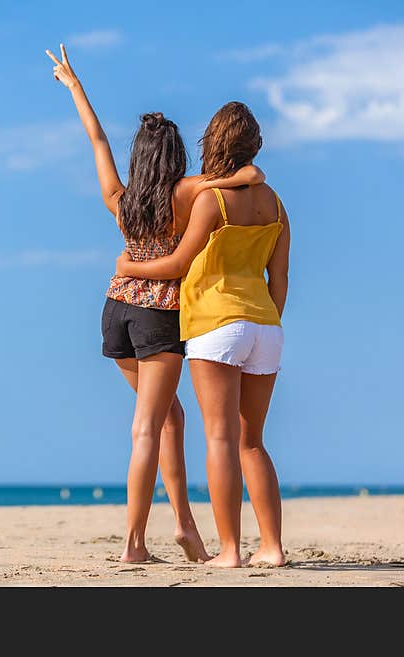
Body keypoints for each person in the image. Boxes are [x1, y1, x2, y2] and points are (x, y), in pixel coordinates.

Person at [46, 45, 265, 563]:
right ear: (176, 158)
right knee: (148, 426)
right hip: (158, 318)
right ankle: (133, 544)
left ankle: (185, 528)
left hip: (114, 313)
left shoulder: (118, 200)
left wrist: (75, 87)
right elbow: (249, 177)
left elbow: (96, 139)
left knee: (170, 419)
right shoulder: (185, 194)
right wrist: (239, 176)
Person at [116, 101, 290, 567]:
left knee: (219, 438)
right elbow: (281, 280)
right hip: (265, 326)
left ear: (213, 143)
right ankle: (272, 548)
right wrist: (264, 320)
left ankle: (230, 550)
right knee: (253, 441)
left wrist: (129, 266)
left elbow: (177, 263)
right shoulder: (275, 204)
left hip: (216, 324)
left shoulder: (211, 201)